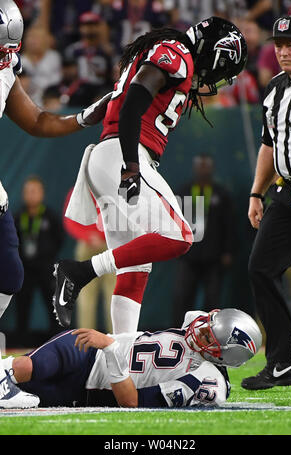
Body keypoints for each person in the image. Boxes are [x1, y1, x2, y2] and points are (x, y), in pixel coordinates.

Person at [52, 16, 248, 335]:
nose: (217, 76)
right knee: (180, 236)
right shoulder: (177, 53)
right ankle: (80, 270)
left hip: (113, 154)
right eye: (222, 66)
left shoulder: (171, 54)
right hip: (124, 154)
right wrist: (131, 165)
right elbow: (133, 102)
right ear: (214, 52)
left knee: (136, 266)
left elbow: (128, 97)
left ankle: (120, 360)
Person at [0, 0, 121, 408]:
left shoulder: (5, 67)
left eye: (8, 48)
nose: (6, 56)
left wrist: (83, 117)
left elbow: (35, 120)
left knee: (9, 275)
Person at [0, 308, 262, 409]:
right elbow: (197, 318)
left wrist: (112, 349)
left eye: (208, 338)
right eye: (206, 325)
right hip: (88, 351)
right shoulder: (198, 321)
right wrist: (107, 346)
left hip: (87, 389)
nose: (198, 329)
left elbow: (130, 401)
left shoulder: (206, 381)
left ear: (225, 357)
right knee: (28, 365)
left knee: (27, 396)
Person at [242, 15, 291, 390]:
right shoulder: (276, 88)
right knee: (261, 268)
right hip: (285, 189)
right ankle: (282, 361)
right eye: (278, 45)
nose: (282, 51)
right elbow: (269, 143)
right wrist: (255, 192)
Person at [172, 155, 235, 327]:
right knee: (182, 297)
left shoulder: (221, 194)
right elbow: (174, 222)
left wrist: (227, 251)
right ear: (194, 168)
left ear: (212, 168)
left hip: (213, 256)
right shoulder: (183, 192)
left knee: (212, 300)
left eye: (206, 166)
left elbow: (229, 225)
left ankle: (212, 333)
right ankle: (178, 334)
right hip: (188, 256)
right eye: (200, 166)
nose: (203, 169)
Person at [13, 176, 64, 346]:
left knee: (53, 307)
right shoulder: (18, 217)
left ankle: (56, 343)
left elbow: (59, 239)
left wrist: (46, 256)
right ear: (23, 194)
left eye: (34, 191)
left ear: (41, 194)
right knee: (22, 308)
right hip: (24, 270)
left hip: (45, 268)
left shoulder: (50, 216)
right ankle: (20, 345)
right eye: (28, 191)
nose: (31, 195)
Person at [63, 188, 116, 332]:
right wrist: (88, 236)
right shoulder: (81, 189)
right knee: (88, 297)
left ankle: (114, 341)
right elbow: (70, 219)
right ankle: (87, 344)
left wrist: (100, 237)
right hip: (91, 246)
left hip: (109, 245)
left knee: (112, 296)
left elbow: (125, 216)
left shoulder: (112, 186)